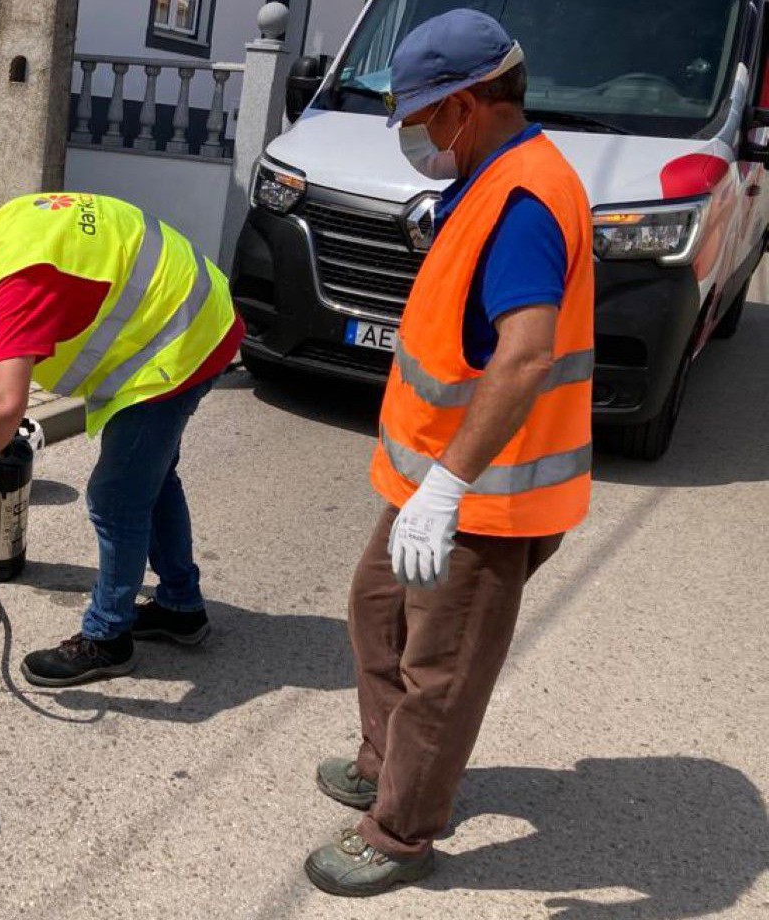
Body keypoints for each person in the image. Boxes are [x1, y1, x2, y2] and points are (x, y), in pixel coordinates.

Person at [303, 9, 595, 896]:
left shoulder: (525, 201)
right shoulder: (489, 176)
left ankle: (401, 832)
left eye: (419, 117)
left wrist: (447, 489)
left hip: (484, 496)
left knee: (441, 668)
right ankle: (384, 762)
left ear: (465, 106)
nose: (412, 136)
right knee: (376, 612)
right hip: (433, 476)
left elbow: (527, 354)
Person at [0, 194, 244, 687]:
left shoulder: (18, 281)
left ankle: (108, 638)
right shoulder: (3, 229)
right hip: (194, 312)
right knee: (150, 480)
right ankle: (181, 607)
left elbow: (4, 405)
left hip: (181, 340)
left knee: (116, 497)